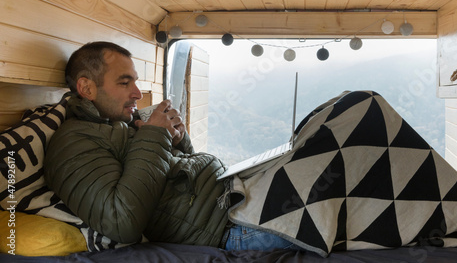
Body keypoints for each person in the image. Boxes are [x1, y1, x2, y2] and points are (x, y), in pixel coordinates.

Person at [44, 41, 296, 251]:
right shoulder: (73, 145)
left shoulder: (122, 122)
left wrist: (177, 140)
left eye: (135, 81)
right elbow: (121, 222)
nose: (138, 93)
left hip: (237, 197)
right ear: (86, 87)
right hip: (226, 227)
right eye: (124, 82)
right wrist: (155, 136)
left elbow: (178, 179)